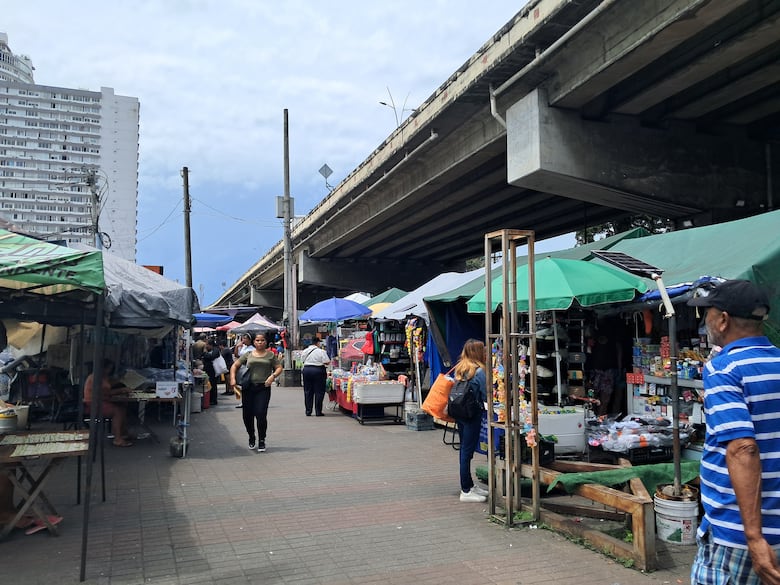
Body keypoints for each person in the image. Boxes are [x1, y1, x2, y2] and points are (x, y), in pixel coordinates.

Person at [687, 279, 780, 585]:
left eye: (708, 315)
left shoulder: (724, 369)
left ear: (723, 320)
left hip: (738, 534)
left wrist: (754, 537)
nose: (706, 323)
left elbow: (743, 449)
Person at [228, 332, 283, 453]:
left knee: (261, 414)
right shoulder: (248, 354)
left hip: (263, 387)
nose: (260, 342)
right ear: (254, 342)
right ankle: (251, 436)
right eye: (257, 340)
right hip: (248, 387)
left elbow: (279, 368)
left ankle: (262, 439)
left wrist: (272, 376)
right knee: (247, 415)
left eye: (262, 340)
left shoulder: (270, 355)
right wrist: (232, 378)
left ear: (266, 342)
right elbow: (235, 366)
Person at [452, 338, 489, 503]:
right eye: (484, 350)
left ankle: (469, 484)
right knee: (467, 451)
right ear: (478, 352)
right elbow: (486, 394)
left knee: (464, 450)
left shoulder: (461, 368)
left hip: (460, 412)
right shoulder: (479, 371)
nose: (486, 353)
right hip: (472, 414)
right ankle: (466, 490)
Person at [83, 358, 133, 447]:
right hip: (93, 403)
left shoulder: (103, 377)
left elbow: (109, 387)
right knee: (116, 411)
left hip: (101, 400)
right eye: (109, 368)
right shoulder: (95, 378)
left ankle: (122, 432)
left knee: (122, 407)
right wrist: (121, 390)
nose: (110, 370)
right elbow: (105, 392)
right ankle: (117, 438)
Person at [301, 339, 331, 416]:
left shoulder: (305, 351)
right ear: (317, 343)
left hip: (307, 370)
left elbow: (302, 360)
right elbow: (327, 361)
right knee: (319, 391)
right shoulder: (321, 351)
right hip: (318, 370)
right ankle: (318, 411)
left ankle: (308, 411)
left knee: (308, 391)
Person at [201, 339, 220, 406]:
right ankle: (210, 399)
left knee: (213, 385)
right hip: (208, 370)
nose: (206, 346)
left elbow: (211, 357)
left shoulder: (216, 350)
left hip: (214, 371)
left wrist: (205, 354)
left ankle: (213, 400)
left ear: (211, 345)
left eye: (207, 345)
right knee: (209, 385)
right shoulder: (208, 351)